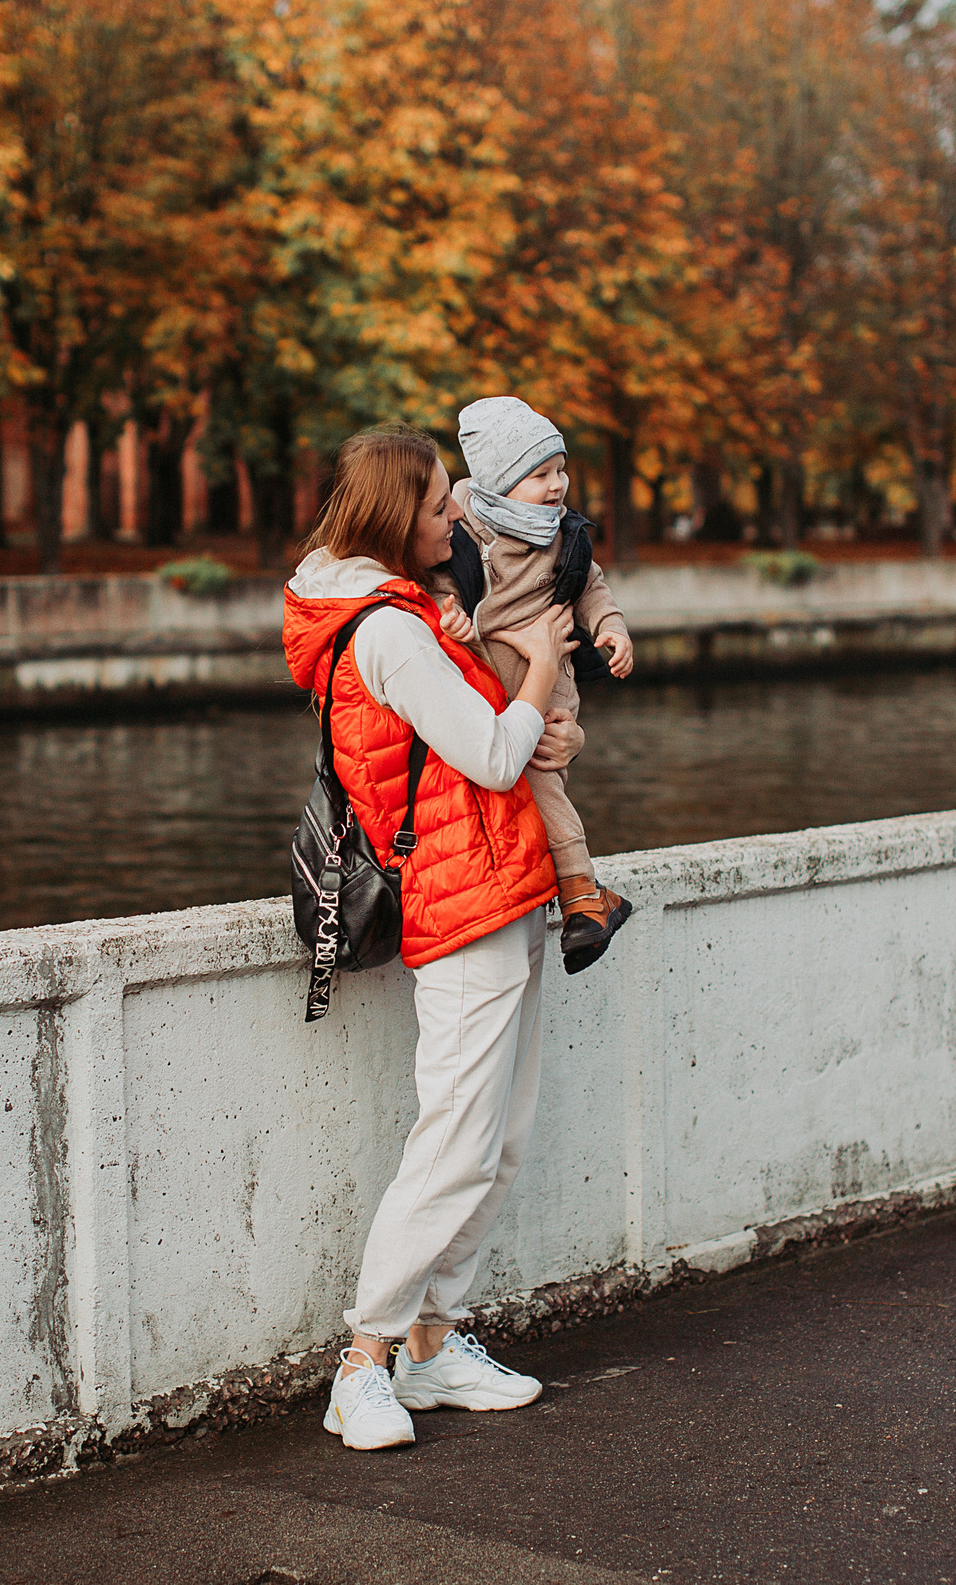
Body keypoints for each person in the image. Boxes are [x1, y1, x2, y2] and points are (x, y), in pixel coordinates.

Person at [282, 420, 585, 1452]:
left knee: (495, 1143)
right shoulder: (385, 633)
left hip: (502, 889)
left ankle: (430, 1345)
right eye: (437, 504)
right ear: (391, 513)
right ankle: (361, 1361)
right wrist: (541, 660)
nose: (453, 517)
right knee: (454, 1145)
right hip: (462, 908)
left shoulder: (409, 613)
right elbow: (497, 756)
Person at [435, 396, 637, 973]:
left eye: (560, 470)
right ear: (499, 482)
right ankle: (587, 895)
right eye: (540, 475)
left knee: (542, 780)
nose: (557, 486)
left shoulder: (561, 537)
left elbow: (592, 587)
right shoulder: (463, 532)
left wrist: (612, 629)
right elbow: (445, 593)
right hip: (488, 681)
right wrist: (456, 623)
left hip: (547, 689)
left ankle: (580, 897)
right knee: (532, 787)